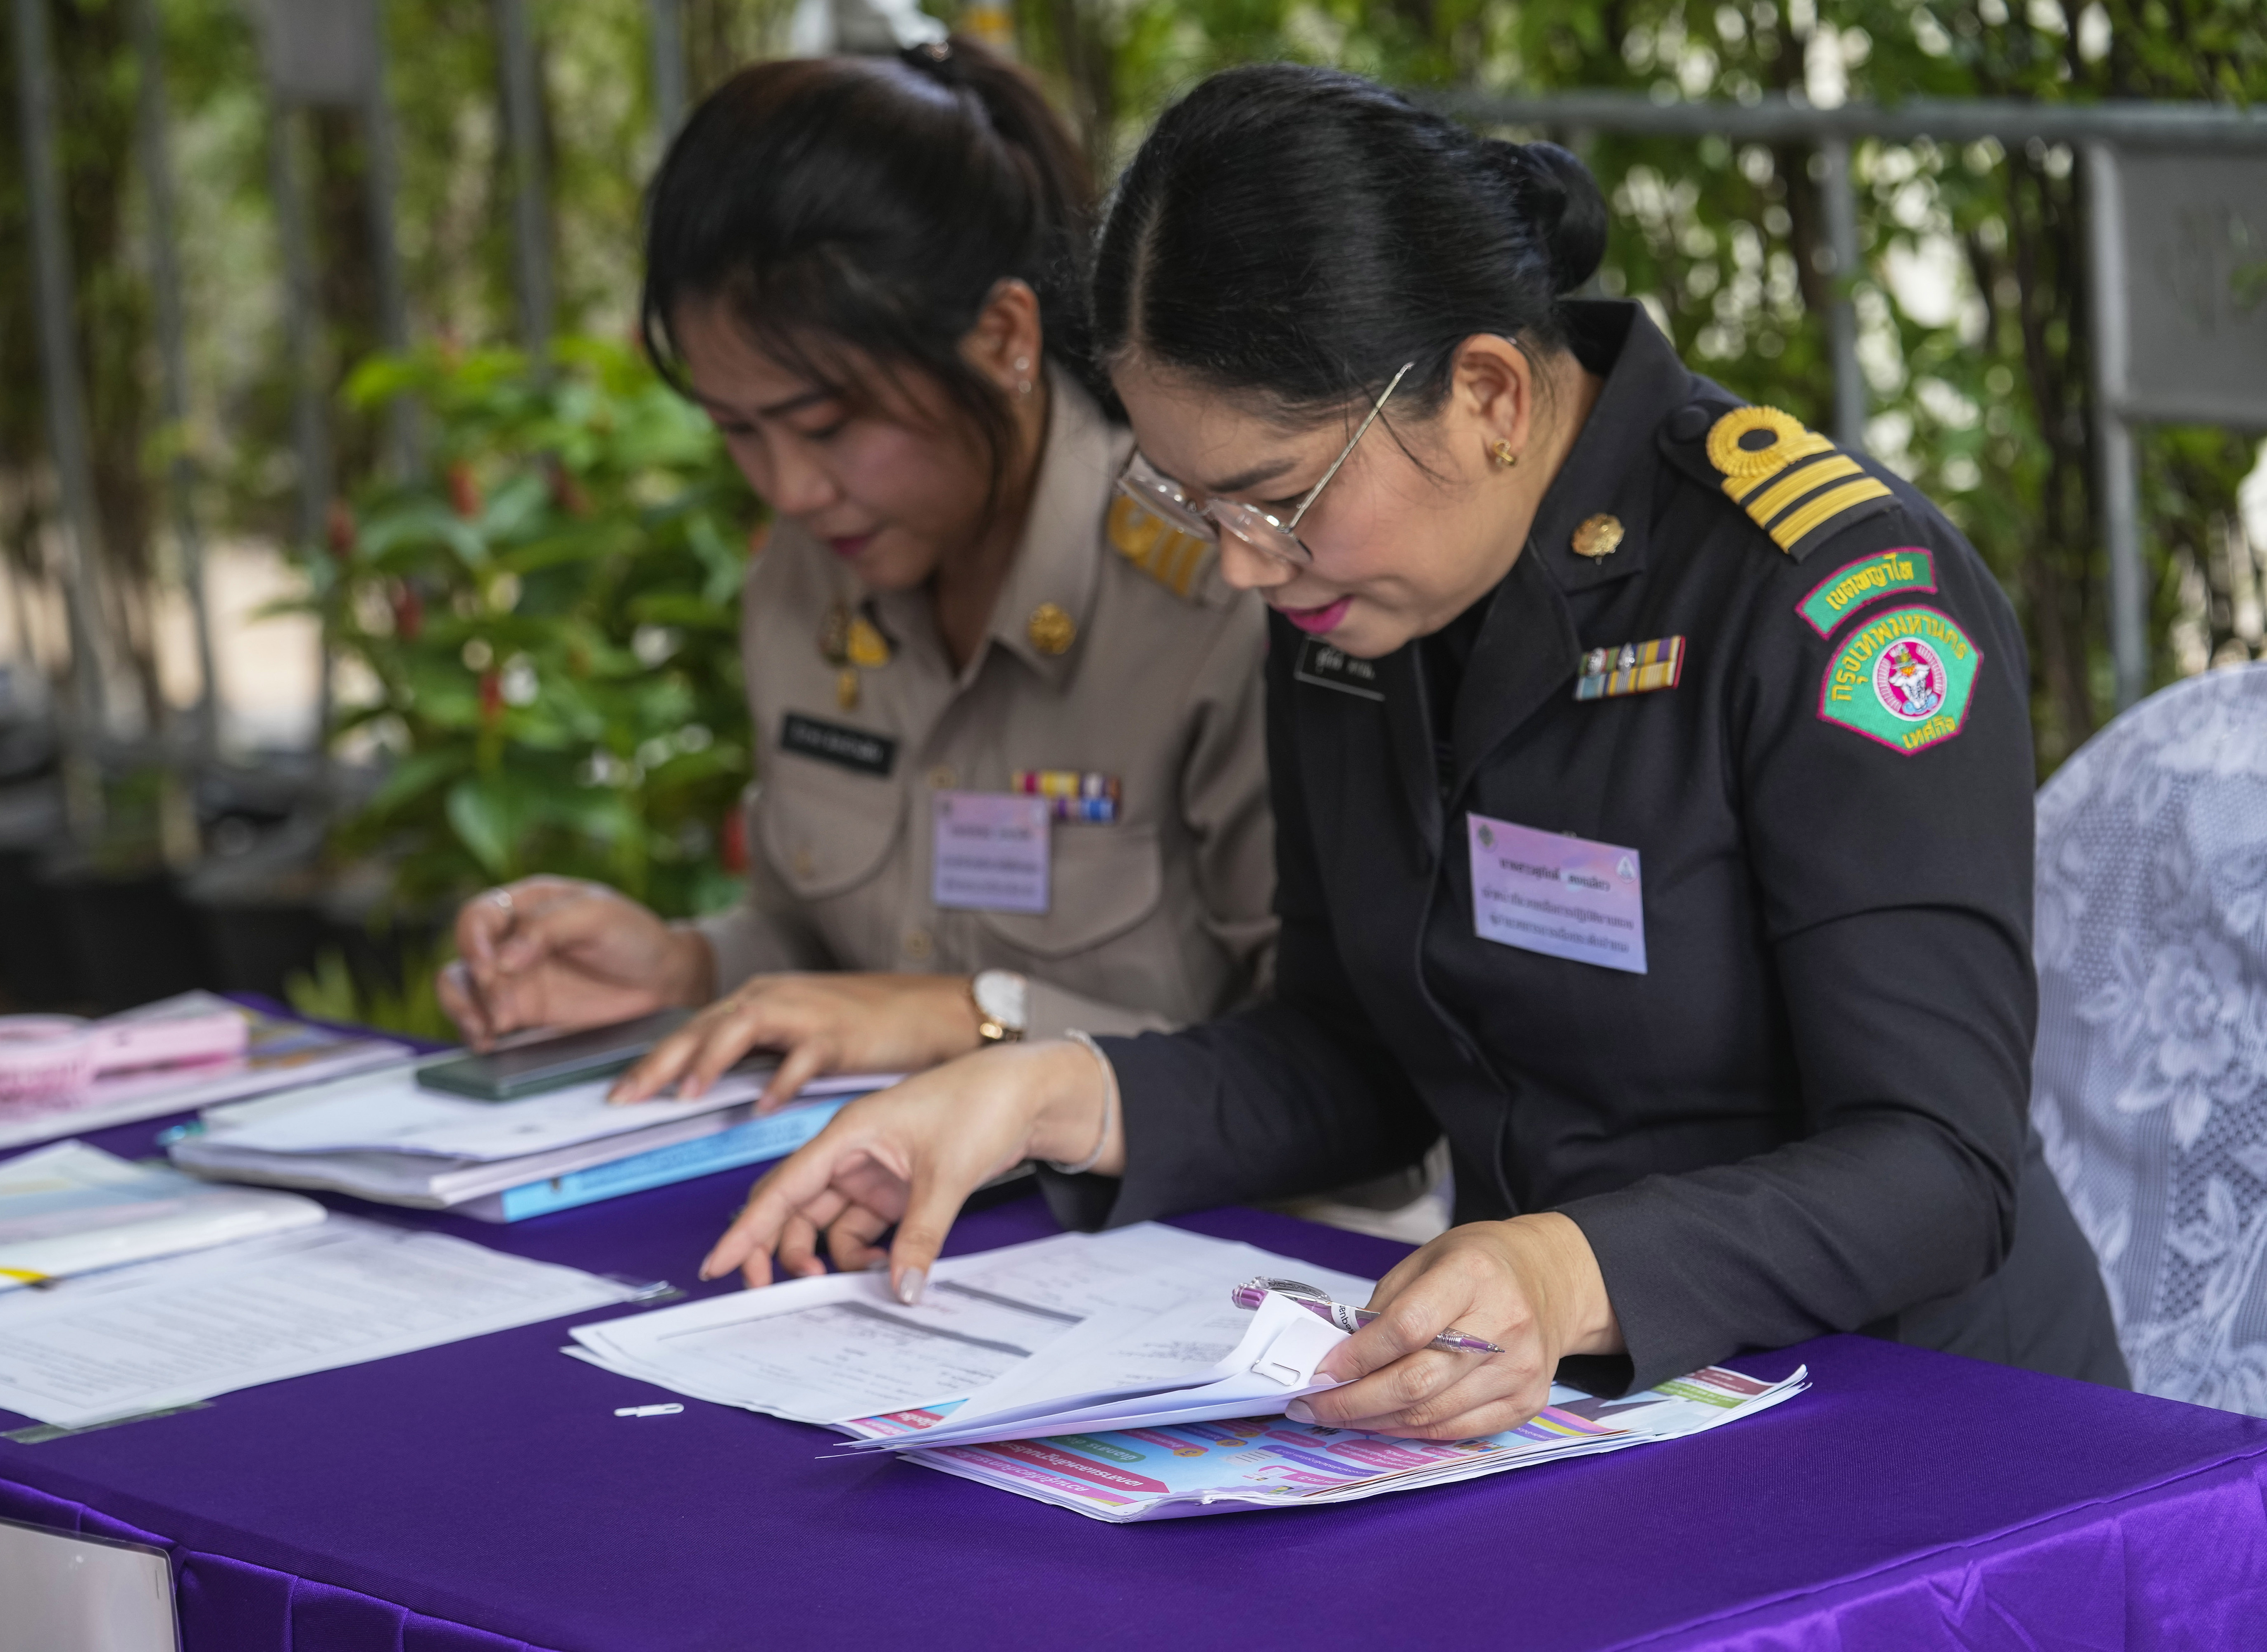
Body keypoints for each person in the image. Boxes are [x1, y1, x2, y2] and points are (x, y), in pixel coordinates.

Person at [701, 63, 2127, 1440]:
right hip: (1560, 1407)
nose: (1243, 565)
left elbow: (1940, 1167)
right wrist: (1054, 1092)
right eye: (1195, 504)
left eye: (1274, 495)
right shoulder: (1351, 596)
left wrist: (1567, 1273)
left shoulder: (1829, 603)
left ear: (1491, 395)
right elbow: (1358, 1060)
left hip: (1921, 1428)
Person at [439, 43, 1277, 1121]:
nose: (790, 489)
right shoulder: (803, 589)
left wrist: (968, 1017)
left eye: (832, 426)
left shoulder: (1217, 593)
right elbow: (817, 945)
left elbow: (1322, 1070)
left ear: (1004, 339)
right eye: (738, 431)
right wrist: (686, 969)